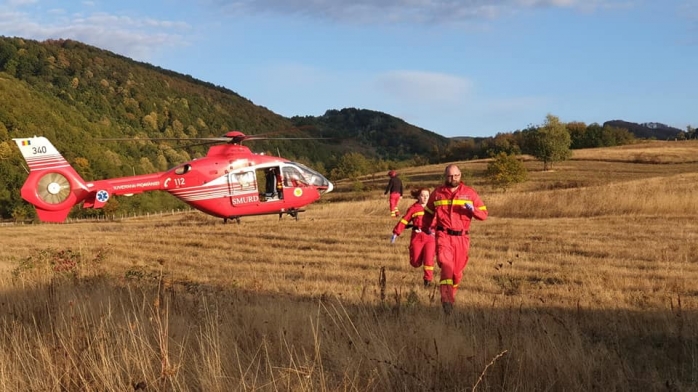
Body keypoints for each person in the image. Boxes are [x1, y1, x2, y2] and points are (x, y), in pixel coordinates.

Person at [423, 164, 488, 315]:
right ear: (445, 176)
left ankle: (451, 295)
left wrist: (473, 210)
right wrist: (428, 228)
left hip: (462, 238)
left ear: (460, 175)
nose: (453, 179)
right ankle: (447, 302)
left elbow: (484, 215)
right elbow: (428, 213)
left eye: (456, 175)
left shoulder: (470, 193)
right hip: (443, 236)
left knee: (457, 273)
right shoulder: (437, 193)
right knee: (446, 266)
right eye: (450, 176)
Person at [390, 188, 436, 288]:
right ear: (418, 196)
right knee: (415, 262)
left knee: (429, 260)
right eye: (423, 195)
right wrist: (396, 233)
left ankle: (427, 281)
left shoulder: (434, 208)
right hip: (417, 237)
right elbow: (404, 220)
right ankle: (416, 258)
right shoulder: (413, 208)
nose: (425, 198)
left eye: (427, 196)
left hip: (430, 237)